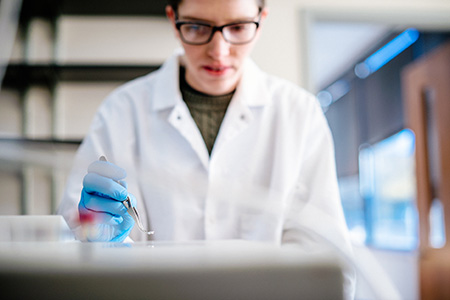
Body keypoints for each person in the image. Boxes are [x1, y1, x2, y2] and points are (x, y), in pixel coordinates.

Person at [58, 0, 355, 297]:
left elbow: (322, 255)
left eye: (237, 28)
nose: (219, 50)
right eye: (198, 27)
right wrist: (98, 237)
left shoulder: (298, 113)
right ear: (174, 20)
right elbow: (73, 243)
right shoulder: (121, 111)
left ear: (261, 21)